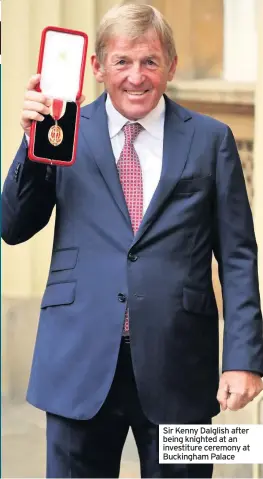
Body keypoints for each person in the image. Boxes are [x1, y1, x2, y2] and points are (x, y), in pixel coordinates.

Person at [2, 3, 263, 478]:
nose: (136, 77)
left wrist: (244, 359)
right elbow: (13, 227)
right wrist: (30, 144)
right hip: (77, 361)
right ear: (97, 68)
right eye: (122, 62)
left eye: (150, 61)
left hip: (181, 363)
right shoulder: (61, 132)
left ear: (171, 66)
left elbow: (239, 257)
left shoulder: (212, 139)